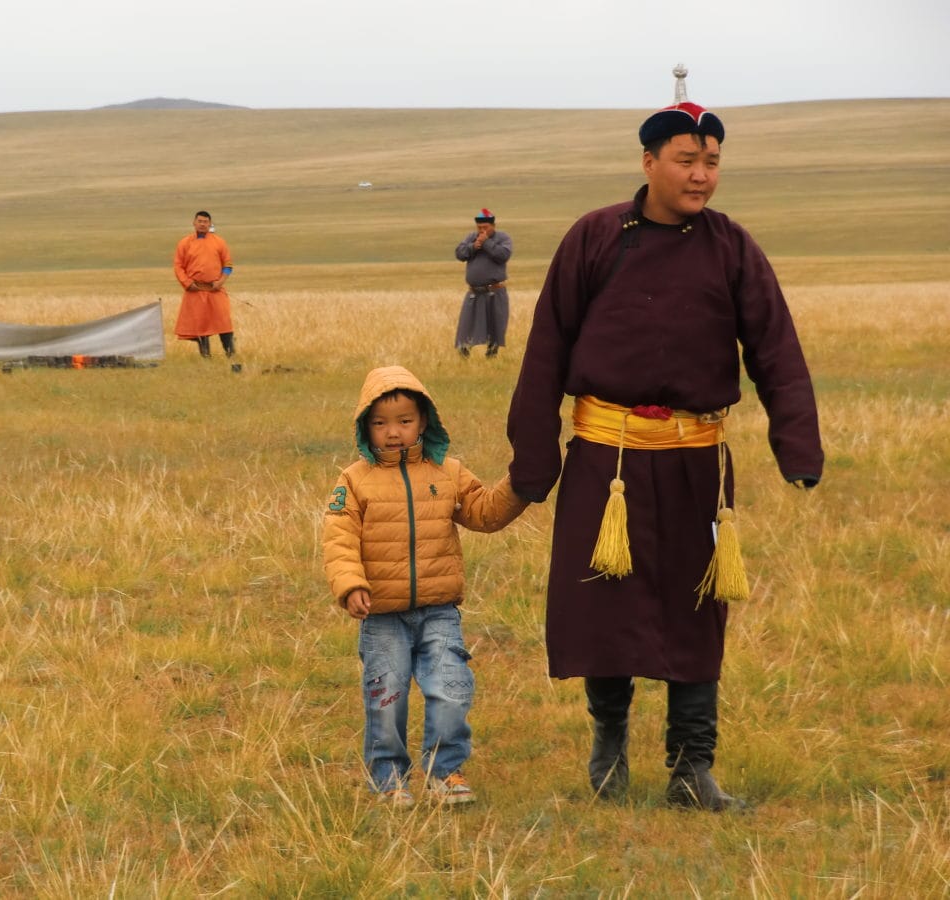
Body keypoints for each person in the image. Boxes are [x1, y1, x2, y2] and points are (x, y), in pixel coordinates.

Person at [506, 86, 823, 811]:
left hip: (695, 463)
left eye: (712, 161)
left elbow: (775, 349)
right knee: (602, 606)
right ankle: (609, 745)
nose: (702, 175)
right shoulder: (594, 238)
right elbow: (546, 350)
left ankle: (691, 768)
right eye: (686, 160)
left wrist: (796, 444)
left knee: (696, 607)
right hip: (605, 458)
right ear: (648, 160)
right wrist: (534, 460)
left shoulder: (732, 247)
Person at [323, 365, 528, 807]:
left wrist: (520, 483)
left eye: (404, 421)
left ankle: (446, 771)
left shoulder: (447, 471)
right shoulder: (354, 481)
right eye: (379, 423)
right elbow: (338, 537)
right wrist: (350, 584)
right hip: (381, 615)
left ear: (424, 421)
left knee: (451, 688)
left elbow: (485, 512)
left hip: (439, 612)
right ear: (364, 426)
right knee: (386, 699)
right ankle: (389, 779)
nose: (392, 432)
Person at [173, 211, 235, 360]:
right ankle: (206, 357)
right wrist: (187, 283)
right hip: (195, 289)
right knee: (201, 324)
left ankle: (231, 355)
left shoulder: (219, 242)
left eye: (206, 221)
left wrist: (220, 282)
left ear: (210, 224)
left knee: (224, 323)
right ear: (194, 223)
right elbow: (178, 266)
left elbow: (227, 264)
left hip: (215, 289)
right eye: (200, 221)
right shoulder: (184, 243)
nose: (202, 224)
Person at [454, 209, 512, 358]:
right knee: (466, 327)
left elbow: (503, 255)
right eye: (479, 228)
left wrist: (486, 243)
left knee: (495, 326)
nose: (482, 231)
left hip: (494, 291)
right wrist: (473, 246)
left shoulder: (502, 238)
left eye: (485, 227)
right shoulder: (471, 238)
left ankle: (492, 355)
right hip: (474, 293)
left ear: (493, 226)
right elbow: (460, 253)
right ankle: (464, 354)